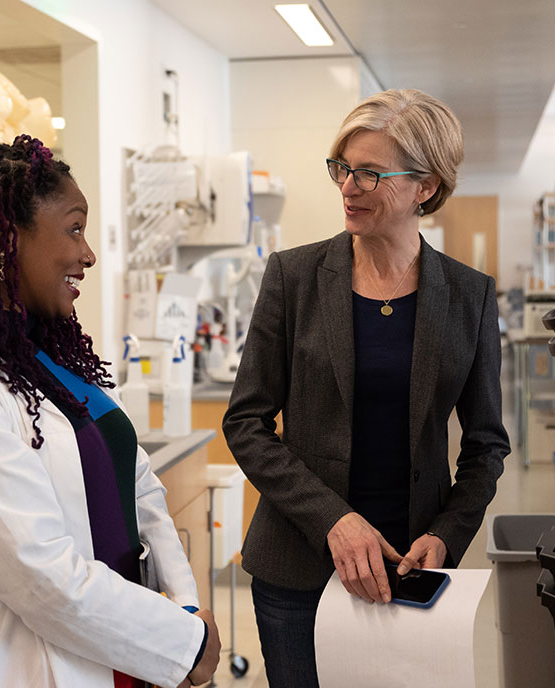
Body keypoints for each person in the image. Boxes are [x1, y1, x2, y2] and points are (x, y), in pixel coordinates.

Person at [0, 136, 221, 688]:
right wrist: (183, 644)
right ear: (9, 239)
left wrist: (184, 609)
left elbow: (141, 491)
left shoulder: (44, 357)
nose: (89, 254)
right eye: (74, 228)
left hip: (125, 655)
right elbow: (39, 576)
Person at [222, 89, 510, 687]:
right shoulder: (293, 277)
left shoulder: (469, 297)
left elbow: (485, 446)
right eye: (343, 168)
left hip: (411, 568)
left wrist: (447, 534)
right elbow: (246, 423)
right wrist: (333, 519)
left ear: (425, 187)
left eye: (370, 174)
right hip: (298, 567)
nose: (348, 187)